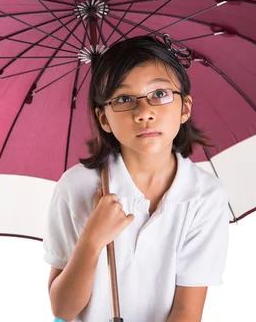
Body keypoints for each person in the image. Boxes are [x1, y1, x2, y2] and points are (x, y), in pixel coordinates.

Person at [42, 34, 230, 322]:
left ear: (185, 108)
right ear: (103, 119)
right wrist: (91, 241)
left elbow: (187, 311)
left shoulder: (205, 195)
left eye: (159, 94)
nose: (144, 113)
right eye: (124, 99)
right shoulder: (76, 186)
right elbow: (63, 309)